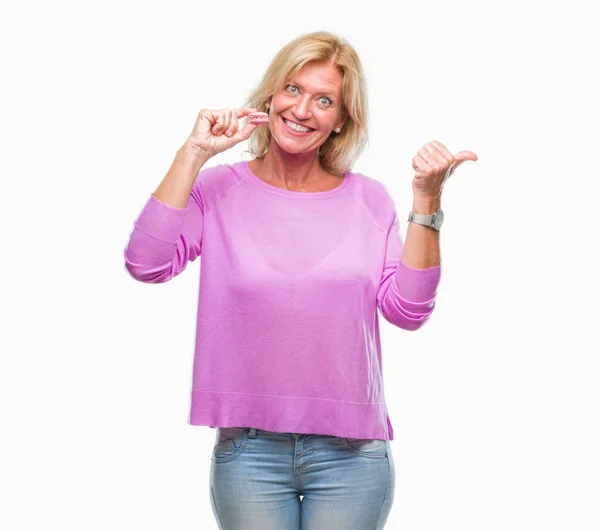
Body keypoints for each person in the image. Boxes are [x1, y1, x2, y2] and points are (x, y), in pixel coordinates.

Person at [123, 30, 477, 530]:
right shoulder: (217, 188)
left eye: (324, 100)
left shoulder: (370, 200)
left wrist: (426, 201)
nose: (303, 110)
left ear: (340, 121)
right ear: (271, 95)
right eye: (293, 89)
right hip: (248, 453)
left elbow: (408, 310)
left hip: (352, 458)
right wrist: (193, 153)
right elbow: (147, 263)